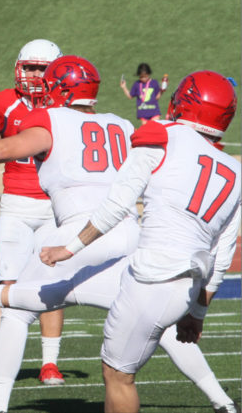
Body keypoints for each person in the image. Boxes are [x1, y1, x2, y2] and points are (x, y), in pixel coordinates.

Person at [0, 57, 237, 413]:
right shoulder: (124, 124)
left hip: (89, 228)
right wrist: (198, 312)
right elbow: (223, 247)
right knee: (157, 322)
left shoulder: (55, 119)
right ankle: (223, 402)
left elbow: (1, 150)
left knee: (17, 311)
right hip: (135, 237)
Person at [40, 71, 240, 413]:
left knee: (118, 375)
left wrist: (69, 248)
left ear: (185, 102)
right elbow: (223, 252)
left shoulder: (162, 134)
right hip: (188, 286)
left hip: (152, 276)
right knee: (122, 369)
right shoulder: (234, 170)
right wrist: (198, 312)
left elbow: (118, 205)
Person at [0, 39, 66, 384]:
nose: (36, 74)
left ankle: (49, 362)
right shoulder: (3, 104)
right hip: (16, 204)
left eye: (43, 68)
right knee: (6, 280)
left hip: (54, 206)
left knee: (52, 283)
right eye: (31, 67)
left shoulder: (66, 107)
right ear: (19, 67)